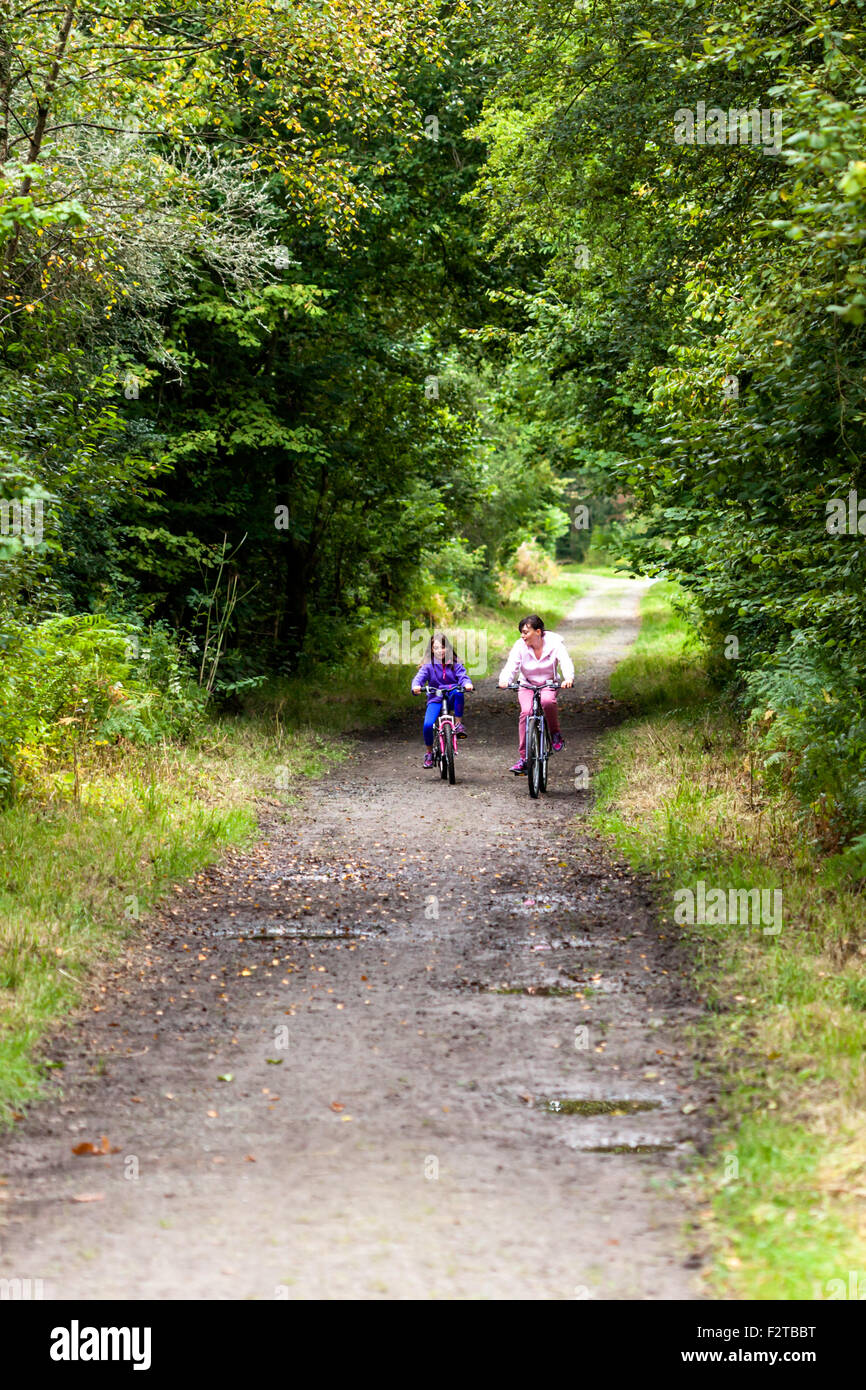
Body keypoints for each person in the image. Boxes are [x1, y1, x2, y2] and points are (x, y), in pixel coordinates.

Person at [498, 614, 574, 774]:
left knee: (547, 702)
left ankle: (555, 734)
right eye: (521, 632)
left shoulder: (555, 644)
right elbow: (511, 665)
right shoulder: (520, 646)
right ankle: (524, 758)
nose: (522, 635)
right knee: (526, 713)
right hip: (527, 684)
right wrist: (504, 679)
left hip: (548, 683)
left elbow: (565, 661)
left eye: (526, 632)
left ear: (538, 631)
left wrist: (568, 678)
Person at [412, 634, 474, 768]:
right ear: (432, 650)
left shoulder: (455, 663)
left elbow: (463, 676)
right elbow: (419, 678)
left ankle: (458, 725)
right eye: (436, 648)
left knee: (459, 692)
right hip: (435, 698)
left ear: (448, 648)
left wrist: (467, 684)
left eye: (443, 647)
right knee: (428, 725)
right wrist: (416, 686)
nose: (440, 650)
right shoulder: (428, 666)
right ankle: (429, 753)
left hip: (451, 695)